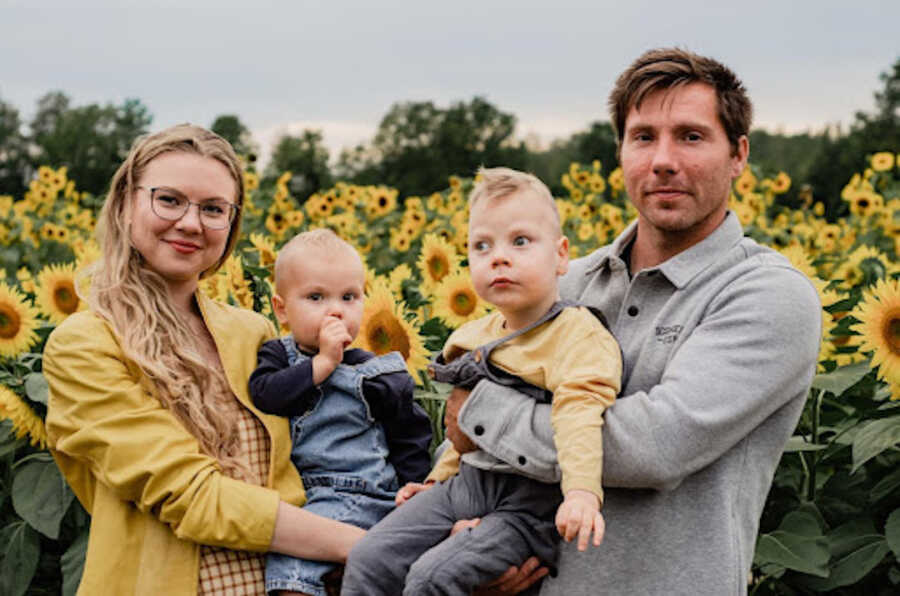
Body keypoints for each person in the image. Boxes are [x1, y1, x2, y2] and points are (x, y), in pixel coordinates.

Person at [444, 48, 822, 595]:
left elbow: (654, 446)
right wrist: (467, 534)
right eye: (644, 137)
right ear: (621, 151)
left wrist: (479, 413)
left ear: (738, 155)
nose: (663, 159)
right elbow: (463, 435)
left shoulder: (767, 295)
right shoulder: (566, 281)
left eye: (691, 136)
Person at [42, 124, 369, 595]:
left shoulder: (251, 331)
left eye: (213, 209)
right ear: (124, 206)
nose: (192, 223)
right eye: (169, 200)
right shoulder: (85, 346)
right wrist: (371, 546)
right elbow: (192, 497)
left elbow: (324, 451)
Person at [342, 167, 622, 596]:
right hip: (464, 486)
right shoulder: (471, 336)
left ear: (562, 255)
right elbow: (461, 435)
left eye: (520, 242)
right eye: (482, 246)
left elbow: (579, 417)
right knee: (368, 559)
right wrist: (437, 479)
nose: (499, 257)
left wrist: (582, 493)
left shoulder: (578, 335)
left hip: (528, 505)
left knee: (432, 579)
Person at [248, 228, 433, 595]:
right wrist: (320, 365)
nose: (336, 310)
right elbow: (266, 394)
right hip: (305, 496)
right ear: (281, 309)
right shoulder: (277, 356)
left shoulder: (377, 373)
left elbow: (409, 433)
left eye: (349, 297)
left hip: (360, 492)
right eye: (316, 297)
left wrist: (416, 487)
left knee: (292, 568)